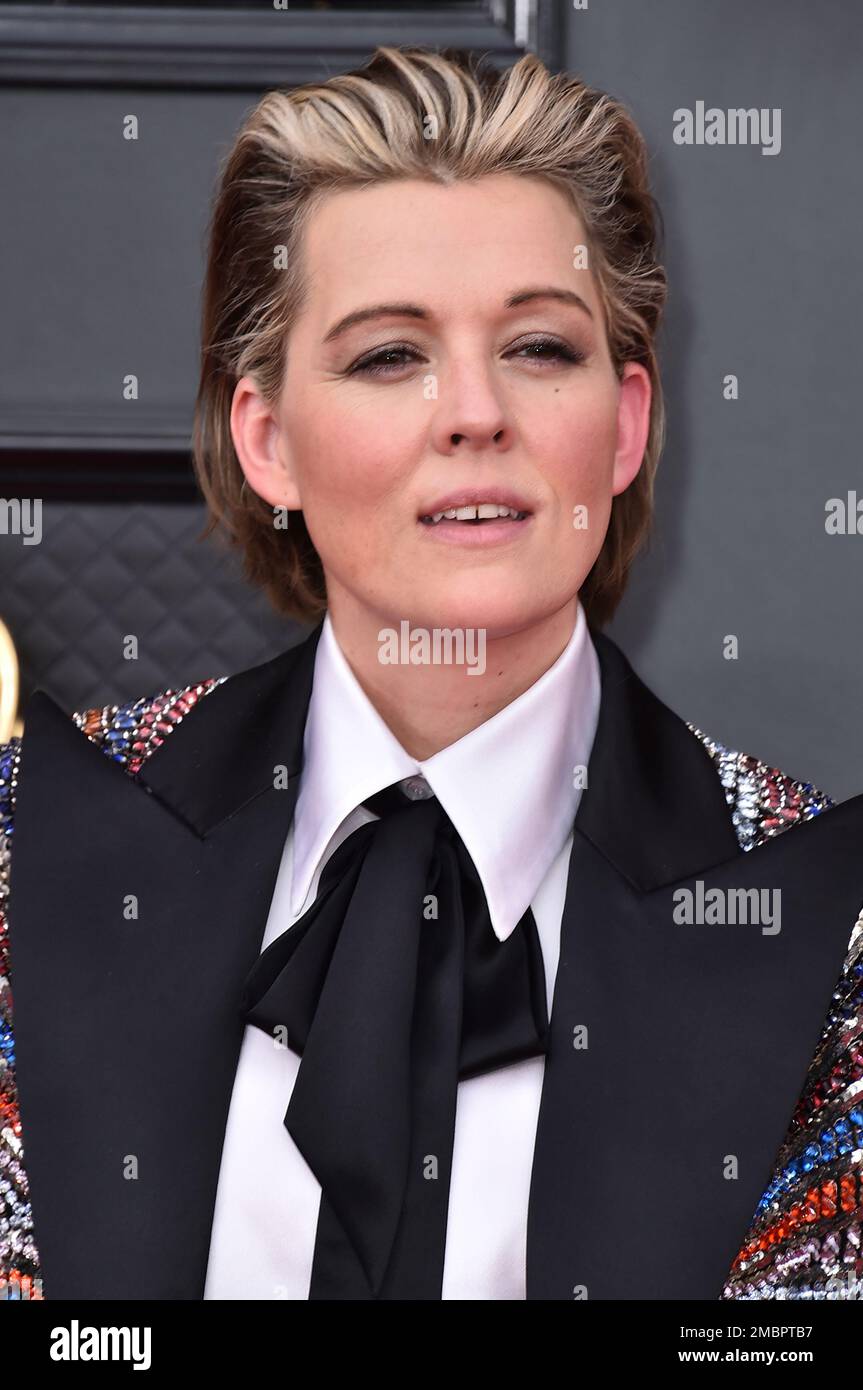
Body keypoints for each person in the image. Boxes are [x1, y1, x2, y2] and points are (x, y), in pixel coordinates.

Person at [2, 44, 862, 1303]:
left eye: (537, 348)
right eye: (388, 356)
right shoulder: (28, 838)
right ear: (267, 440)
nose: (473, 412)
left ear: (621, 426)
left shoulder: (830, 936)